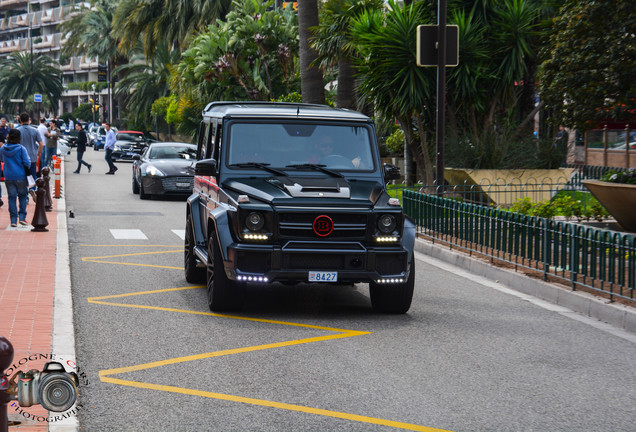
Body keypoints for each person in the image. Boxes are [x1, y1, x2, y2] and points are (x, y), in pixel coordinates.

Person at [0, 129, 31, 227]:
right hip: (20, 176)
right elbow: (27, 163)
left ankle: (13, 220)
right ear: (19, 138)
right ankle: (22, 217)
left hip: (8, 176)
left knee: (11, 198)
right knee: (22, 196)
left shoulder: (3, 148)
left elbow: (1, 159)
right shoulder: (21, 149)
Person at [16, 113, 43, 198]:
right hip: (32, 156)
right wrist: (38, 153)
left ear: (20, 120)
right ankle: (32, 188)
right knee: (33, 175)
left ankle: (25, 197)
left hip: (21, 157)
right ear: (29, 119)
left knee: (22, 177)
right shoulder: (35, 130)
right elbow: (41, 144)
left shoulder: (18, 131)